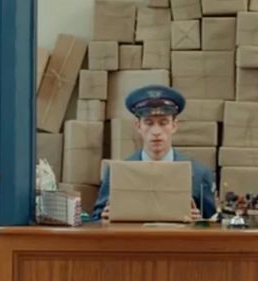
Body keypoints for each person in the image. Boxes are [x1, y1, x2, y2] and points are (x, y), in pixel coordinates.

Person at [92, 84, 217, 223]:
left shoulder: (199, 174)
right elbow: (96, 220)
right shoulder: (117, 173)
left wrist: (199, 222)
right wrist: (104, 218)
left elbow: (214, 224)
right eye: (149, 123)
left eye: (163, 123)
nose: (156, 131)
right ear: (138, 126)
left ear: (174, 125)